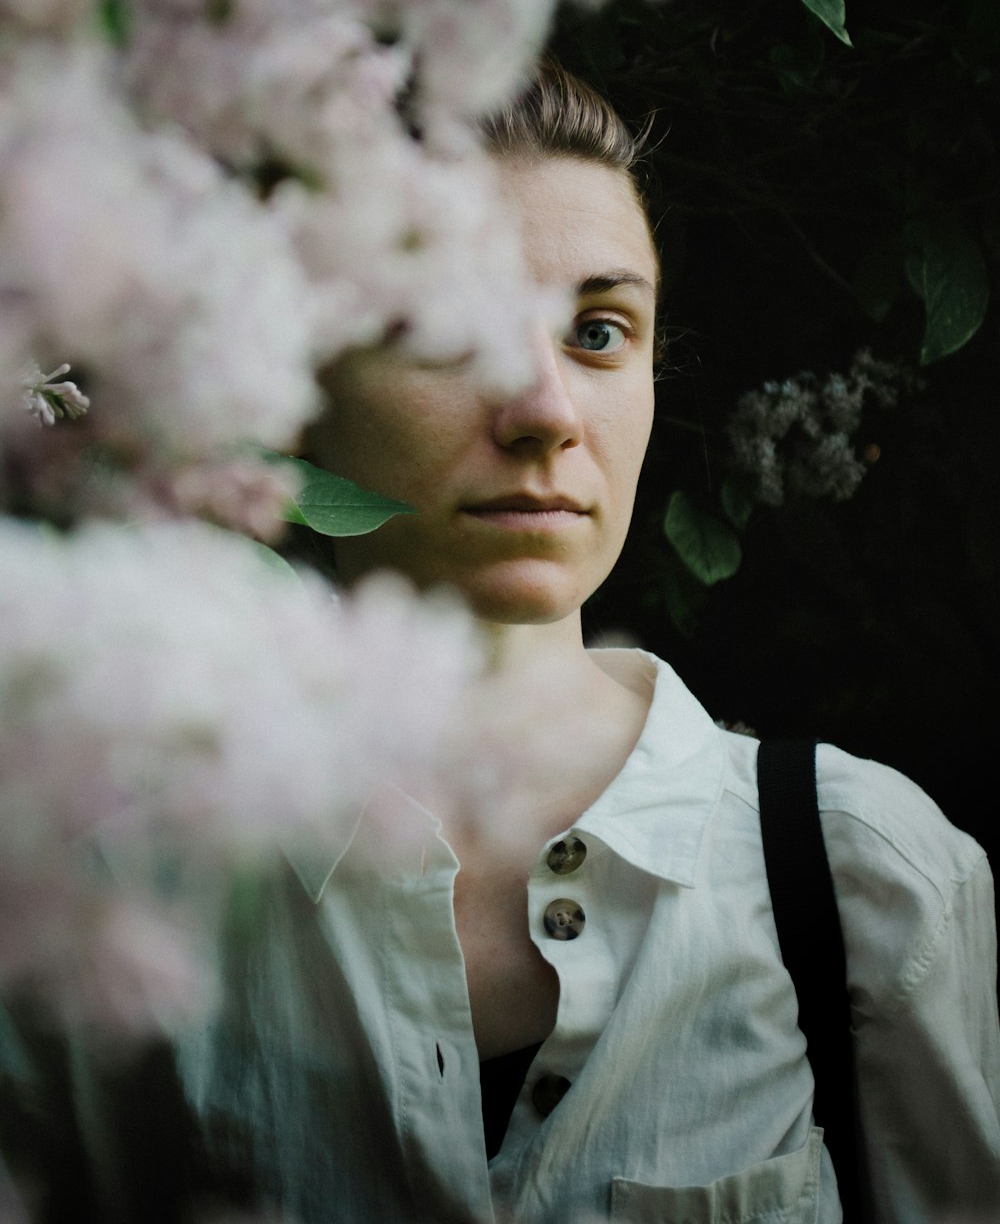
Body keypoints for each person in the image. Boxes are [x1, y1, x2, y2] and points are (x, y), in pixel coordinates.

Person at [9, 64, 996, 1223]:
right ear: (295, 384)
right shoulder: (117, 889)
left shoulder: (861, 880)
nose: (543, 409)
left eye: (596, 331)